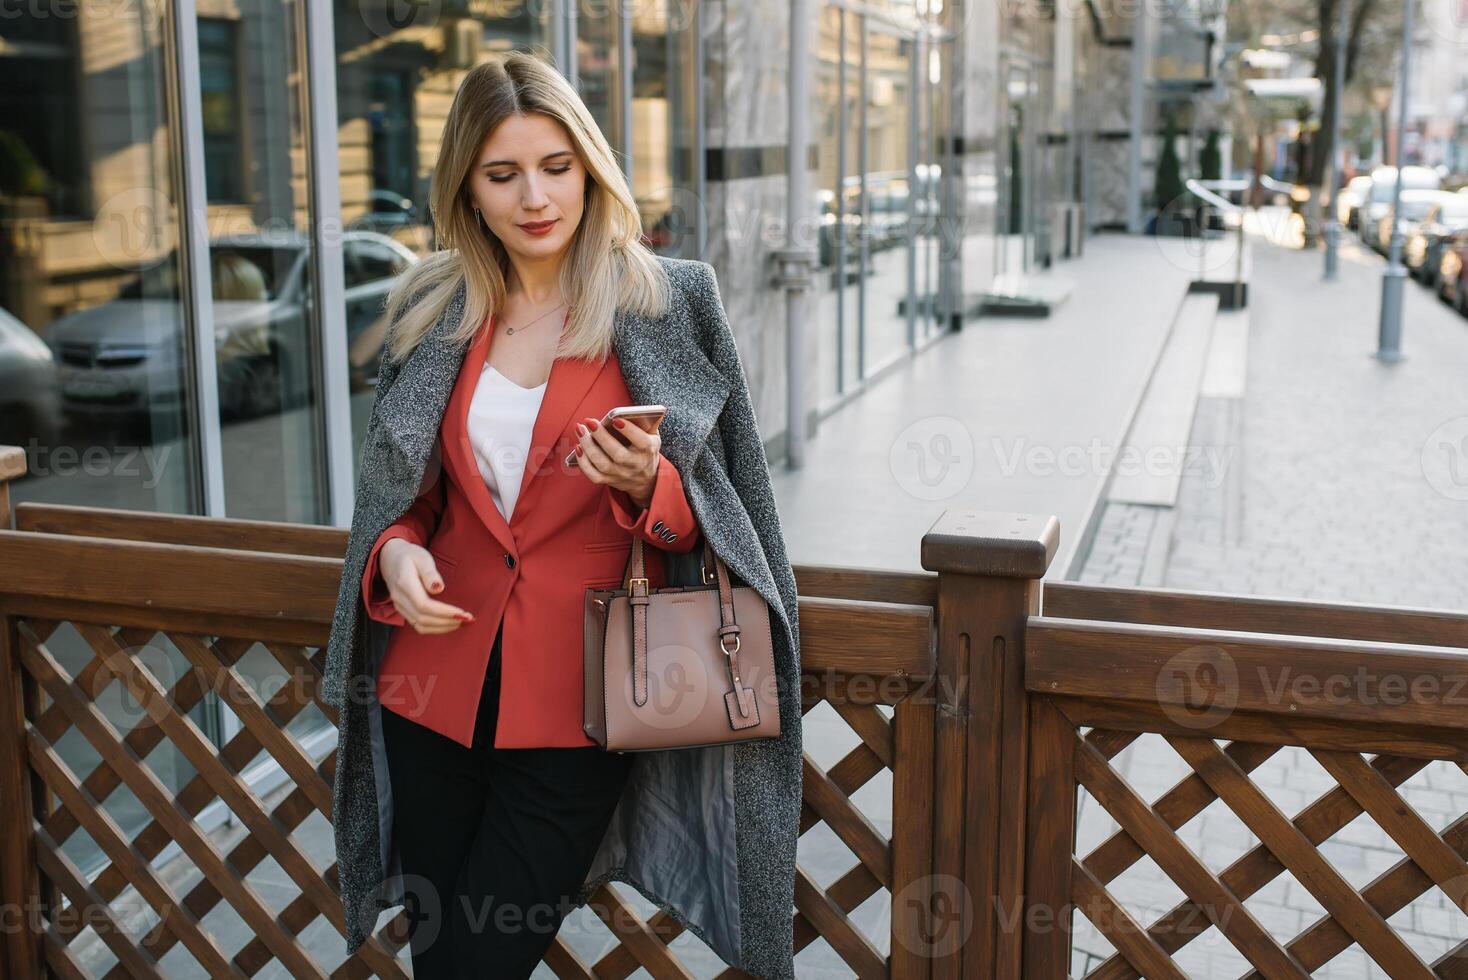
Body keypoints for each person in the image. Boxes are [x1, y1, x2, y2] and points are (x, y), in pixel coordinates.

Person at [321, 51, 804, 979]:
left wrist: (648, 488)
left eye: (556, 167)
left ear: (591, 166)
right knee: (439, 960)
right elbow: (404, 499)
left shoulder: (669, 301)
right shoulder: (432, 307)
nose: (535, 197)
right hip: (431, 690)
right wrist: (391, 555)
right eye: (502, 175)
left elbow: (734, 517)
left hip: (586, 702)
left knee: (478, 963)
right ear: (466, 185)